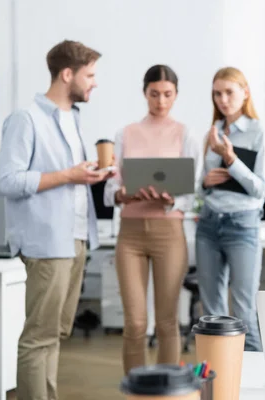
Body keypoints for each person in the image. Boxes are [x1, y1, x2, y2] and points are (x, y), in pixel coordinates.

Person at [0, 40, 111, 400]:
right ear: (67, 74)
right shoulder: (25, 119)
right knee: (38, 337)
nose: (94, 83)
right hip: (46, 242)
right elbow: (7, 181)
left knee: (56, 333)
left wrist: (92, 174)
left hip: (75, 239)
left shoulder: (73, 119)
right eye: (89, 75)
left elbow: (68, 176)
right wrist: (69, 175)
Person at [103, 64, 200, 375]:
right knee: (135, 323)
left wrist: (170, 199)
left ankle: (166, 393)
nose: (161, 101)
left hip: (169, 233)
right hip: (130, 235)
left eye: (167, 94)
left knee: (167, 321)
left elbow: (191, 191)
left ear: (176, 95)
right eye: (154, 94)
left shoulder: (186, 135)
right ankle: (136, 392)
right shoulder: (125, 134)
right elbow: (110, 186)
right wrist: (121, 195)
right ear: (145, 93)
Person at [196, 67, 265, 351]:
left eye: (229, 92)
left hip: (243, 224)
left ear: (245, 93)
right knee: (210, 310)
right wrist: (205, 182)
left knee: (244, 309)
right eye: (217, 93)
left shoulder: (259, 132)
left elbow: (260, 189)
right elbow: (201, 187)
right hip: (208, 223)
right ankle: (217, 378)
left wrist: (230, 159)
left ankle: (252, 387)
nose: (223, 99)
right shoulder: (212, 133)